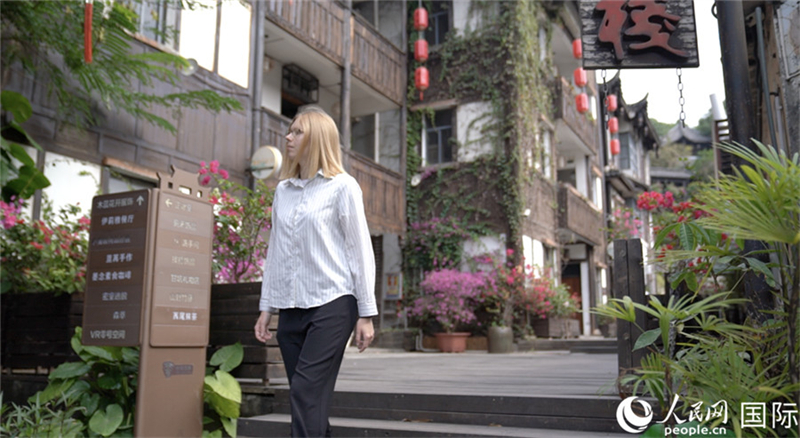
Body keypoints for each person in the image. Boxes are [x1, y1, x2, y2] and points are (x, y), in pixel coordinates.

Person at [253, 107, 377, 437]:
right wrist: (267, 307)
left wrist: (366, 313)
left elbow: (360, 251)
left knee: (305, 391)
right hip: (291, 308)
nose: (288, 137)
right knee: (310, 399)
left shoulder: (343, 187)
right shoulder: (283, 191)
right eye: (290, 130)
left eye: (297, 132)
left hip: (333, 304)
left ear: (317, 139)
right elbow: (276, 250)